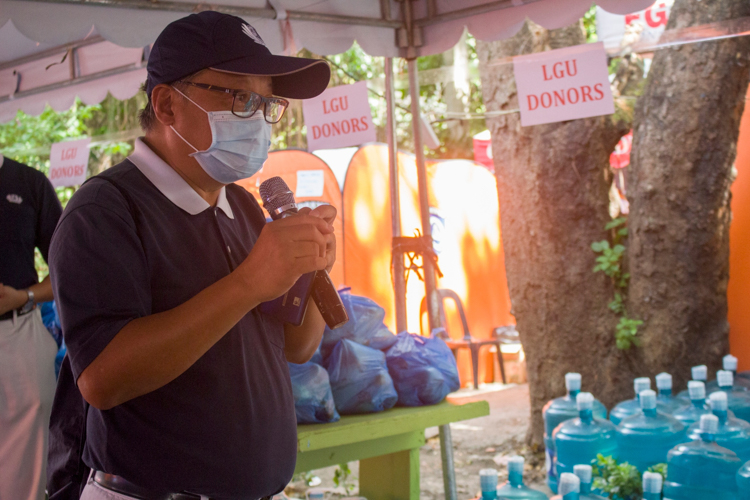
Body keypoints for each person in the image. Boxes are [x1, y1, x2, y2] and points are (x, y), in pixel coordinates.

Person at [48, 12, 334, 500]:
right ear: (166, 105)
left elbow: (296, 347)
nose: (258, 118)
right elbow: (101, 379)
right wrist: (249, 281)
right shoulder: (105, 210)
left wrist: (307, 268)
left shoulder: (241, 204)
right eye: (240, 97)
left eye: (266, 103)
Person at [0, 154, 62, 500]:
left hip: (19, 331)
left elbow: (69, 269)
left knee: (26, 471)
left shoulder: (29, 183)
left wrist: (23, 295)